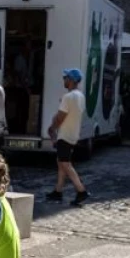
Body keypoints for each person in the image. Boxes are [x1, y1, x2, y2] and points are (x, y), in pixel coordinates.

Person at [45, 68, 90, 207]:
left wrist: (52, 128)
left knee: (65, 164)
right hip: (73, 134)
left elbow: (60, 117)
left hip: (64, 135)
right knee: (61, 163)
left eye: (65, 78)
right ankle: (58, 191)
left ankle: (81, 190)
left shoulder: (68, 97)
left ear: (70, 80)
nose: (63, 80)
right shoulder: (80, 96)